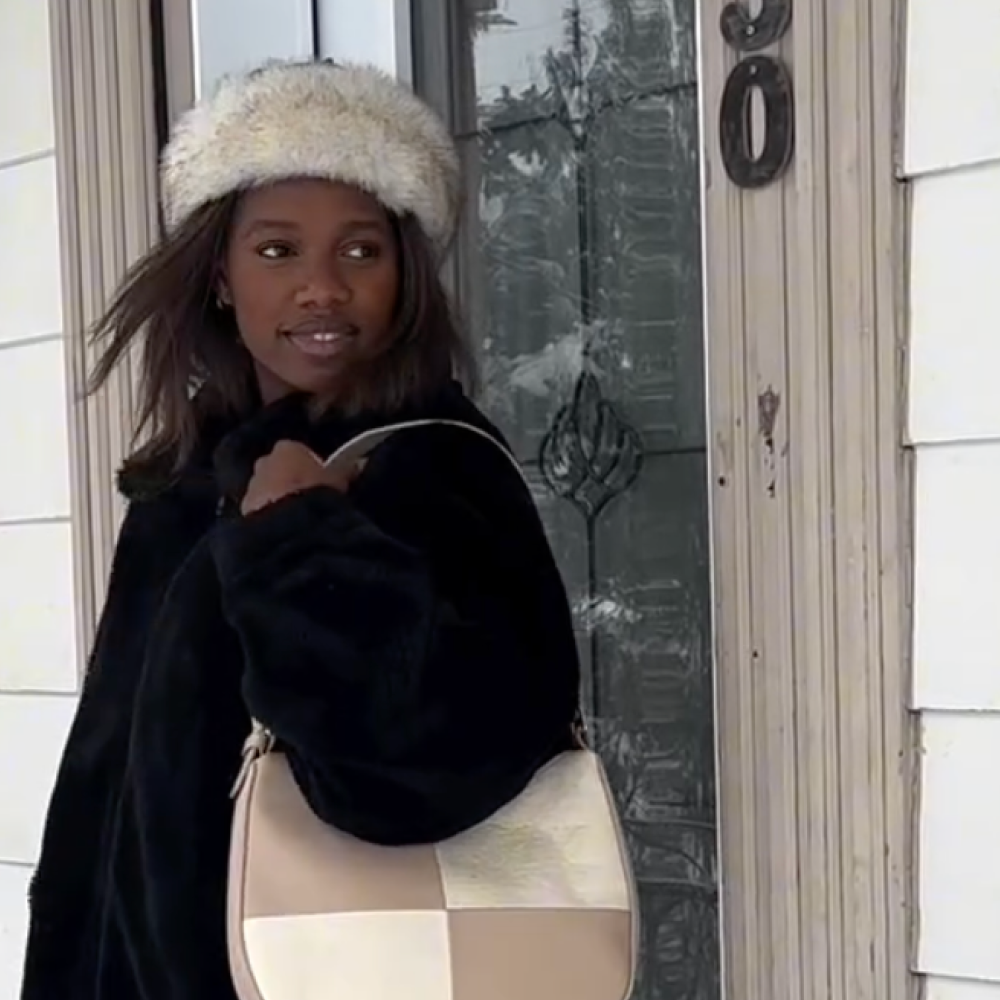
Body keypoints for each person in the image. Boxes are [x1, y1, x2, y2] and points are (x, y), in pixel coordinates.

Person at [20, 59, 581, 1000]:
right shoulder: (190, 482)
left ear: (404, 277)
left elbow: (432, 769)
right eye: (278, 251)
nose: (322, 287)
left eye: (360, 251)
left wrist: (298, 534)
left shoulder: (430, 467)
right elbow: (115, 791)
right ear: (222, 278)